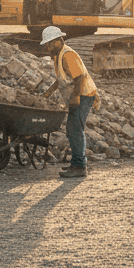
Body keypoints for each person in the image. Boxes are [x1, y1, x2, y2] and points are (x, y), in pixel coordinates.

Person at [39, 25, 98, 178]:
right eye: (47, 44)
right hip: (78, 95)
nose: (47, 47)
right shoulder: (59, 55)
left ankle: (79, 167)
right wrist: (48, 93)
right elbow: (62, 79)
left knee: (75, 130)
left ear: (58, 41)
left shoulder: (67, 55)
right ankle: (76, 164)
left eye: (49, 44)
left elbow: (80, 77)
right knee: (72, 130)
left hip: (83, 95)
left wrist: (76, 97)